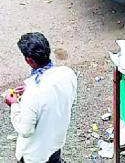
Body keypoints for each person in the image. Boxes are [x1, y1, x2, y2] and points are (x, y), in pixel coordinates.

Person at [4, 33, 77, 163]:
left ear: (29, 60)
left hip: (35, 154)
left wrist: (14, 104)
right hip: (56, 142)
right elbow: (56, 97)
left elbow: (25, 130)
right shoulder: (68, 74)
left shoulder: (32, 93)